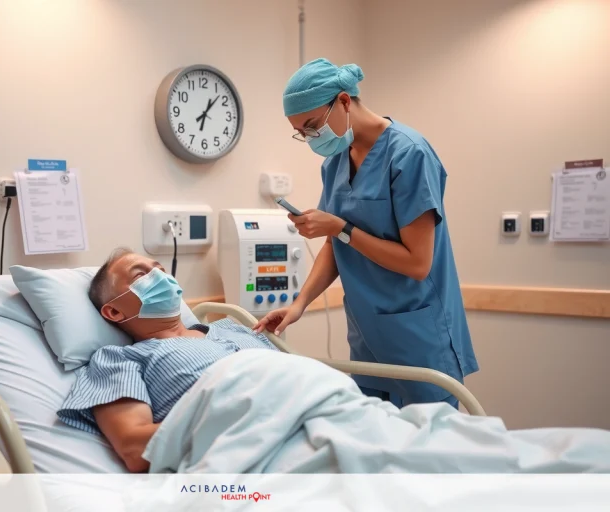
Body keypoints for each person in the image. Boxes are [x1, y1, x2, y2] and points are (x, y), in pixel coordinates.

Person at [254, 58, 478, 409]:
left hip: (419, 337)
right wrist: (298, 305)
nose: (312, 138)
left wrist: (341, 227)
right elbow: (336, 247)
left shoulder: (409, 154)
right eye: (302, 132)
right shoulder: (336, 163)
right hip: (368, 338)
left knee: (425, 453)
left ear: (344, 101)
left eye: (312, 126)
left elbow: (418, 263)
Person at [57, 248, 279, 473]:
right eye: (140, 276)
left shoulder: (232, 327)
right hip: (263, 453)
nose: (161, 277)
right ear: (114, 312)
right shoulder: (118, 360)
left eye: (160, 270)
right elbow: (134, 448)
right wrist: (246, 419)